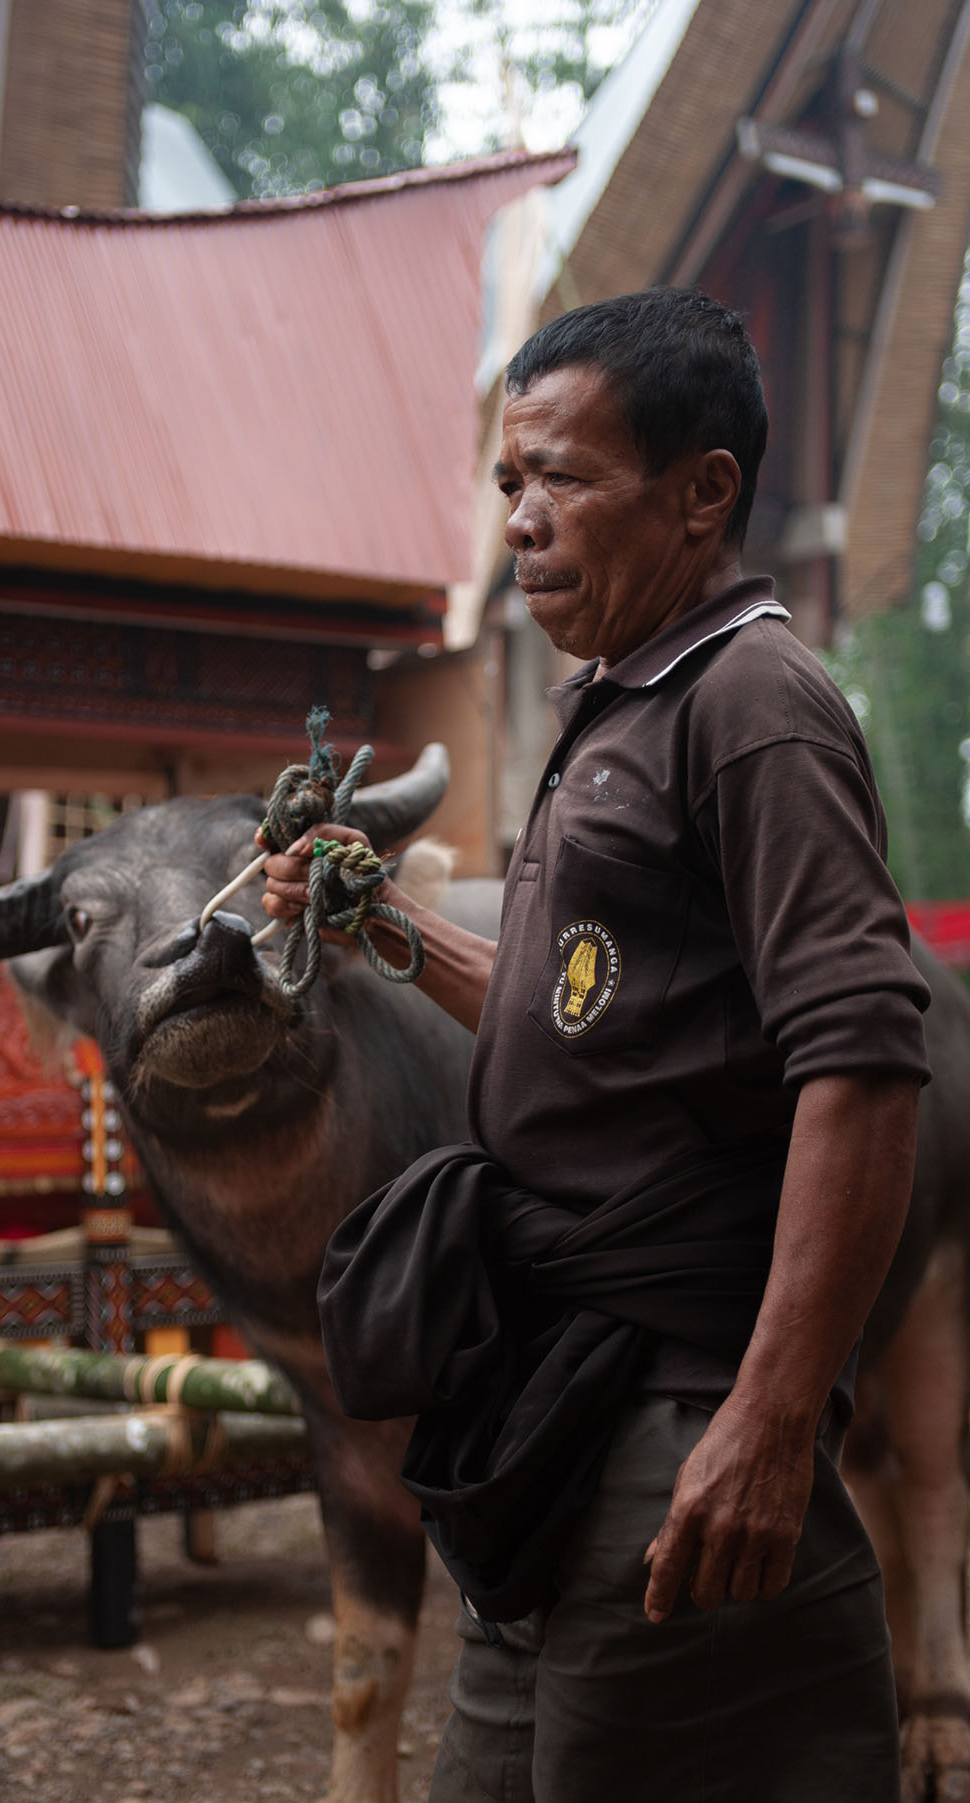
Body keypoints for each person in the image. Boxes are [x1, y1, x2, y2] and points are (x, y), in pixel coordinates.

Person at [261, 287, 930, 1802]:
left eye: (564, 476)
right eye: (511, 481)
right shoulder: (618, 708)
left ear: (704, 494)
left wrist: (766, 1417)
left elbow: (867, 1063)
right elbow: (585, 1019)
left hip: (677, 1399)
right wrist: (384, 922)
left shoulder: (754, 703)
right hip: (555, 1404)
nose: (525, 519)